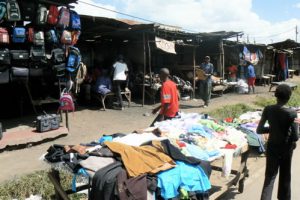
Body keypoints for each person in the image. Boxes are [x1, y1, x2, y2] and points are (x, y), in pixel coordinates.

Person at [256, 84, 298, 200]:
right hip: (286, 148)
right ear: (289, 97)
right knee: (285, 176)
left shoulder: (268, 109)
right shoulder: (292, 113)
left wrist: (273, 128)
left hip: (272, 147)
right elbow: (295, 137)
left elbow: (259, 130)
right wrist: (296, 125)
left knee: (269, 177)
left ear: (275, 95)